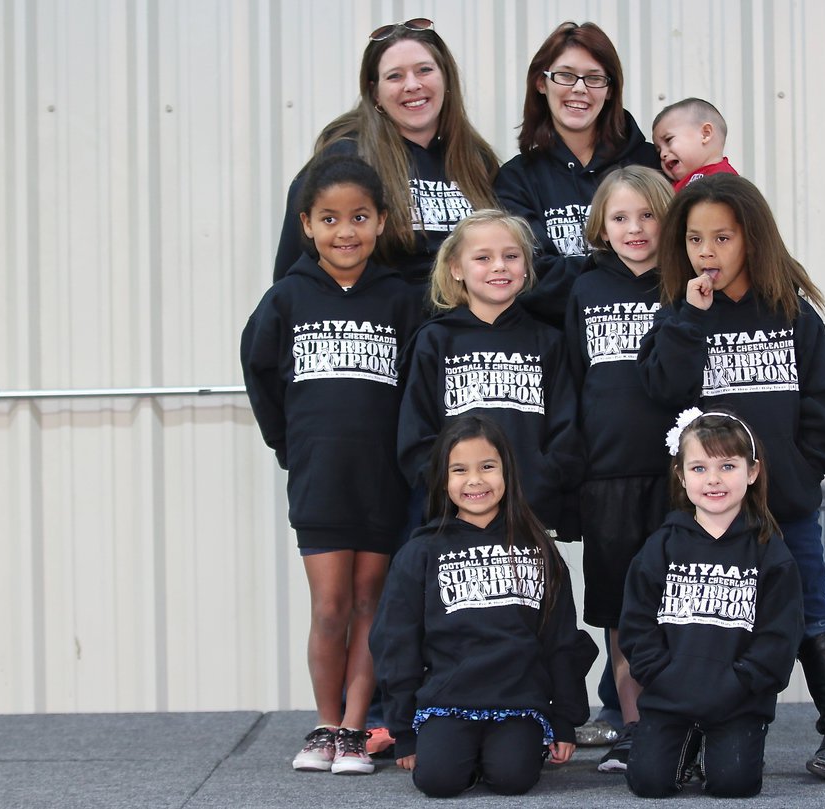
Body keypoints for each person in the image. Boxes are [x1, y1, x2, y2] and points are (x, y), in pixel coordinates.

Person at [637, 173, 825, 781]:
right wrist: (688, 319)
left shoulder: (790, 314)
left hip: (784, 505)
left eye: (722, 238)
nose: (706, 253)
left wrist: (796, 470)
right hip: (706, 514)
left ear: (751, 239)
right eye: (693, 240)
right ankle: (690, 729)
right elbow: (661, 390)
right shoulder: (677, 315)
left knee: (812, 609)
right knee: (698, 615)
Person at [241, 155, 423, 773]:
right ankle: (323, 722)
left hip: (380, 480)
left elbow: (420, 388)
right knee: (329, 607)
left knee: (372, 603)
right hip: (319, 479)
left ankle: (354, 727)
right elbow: (259, 370)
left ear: (381, 222)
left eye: (360, 218)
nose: (345, 231)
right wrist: (287, 445)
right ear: (307, 225)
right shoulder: (287, 298)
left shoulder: (400, 300)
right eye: (330, 219)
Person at [370, 415, 598, 797]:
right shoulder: (421, 551)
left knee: (513, 779)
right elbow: (397, 641)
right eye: (460, 469)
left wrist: (563, 721)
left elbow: (560, 638)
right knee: (437, 782)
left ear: (508, 471)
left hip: (519, 699)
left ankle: (499, 752)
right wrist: (405, 731)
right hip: (448, 699)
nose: (475, 480)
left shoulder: (538, 548)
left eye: (487, 467)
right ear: (442, 478)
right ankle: (463, 753)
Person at [619, 409, 803, 798]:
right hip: (670, 696)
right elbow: (637, 625)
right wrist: (662, 676)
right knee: (649, 783)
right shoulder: (660, 547)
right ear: (681, 476)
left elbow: (780, 637)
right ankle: (684, 748)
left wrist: (740, 683)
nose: (714, 479)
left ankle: (723, 748)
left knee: (734, 785)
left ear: (751, 472)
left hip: (738, 700)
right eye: (699, 468)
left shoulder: (771, 552)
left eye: (727, 466)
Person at [564, 166, 679, 772]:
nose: (635, 228)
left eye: (648, 215)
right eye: (620, 217)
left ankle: (676, 720)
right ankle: (634, 725)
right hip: (606, 479)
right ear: (601, 228)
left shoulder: (684, 288)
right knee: (619, 609)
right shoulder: (585, 290)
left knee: (673, 602)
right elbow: (572, 382)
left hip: (676, 479)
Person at [273, 18, 499, 289]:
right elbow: (292, 274)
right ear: (375, 93)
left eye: (424, 70)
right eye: (395, 76)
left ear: (446, 78)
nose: (412, 85)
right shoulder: (347, 158)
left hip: (462, 326)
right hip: (387, 323)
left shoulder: (476, 160)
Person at [397, 210, 583, 534]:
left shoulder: (549, 342)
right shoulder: (435, 340)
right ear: (456, 268)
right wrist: (451, 490)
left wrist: (540, 482)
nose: (499, 266)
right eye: (483, 257)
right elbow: (416, 435)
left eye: (511, 256)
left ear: (526, 266)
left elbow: (566, 434)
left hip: (529, 515)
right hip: (454, 519)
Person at [494, 21, 664, 327]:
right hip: (557, 347)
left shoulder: (651, 163)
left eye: (595, 78)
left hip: (654, 338)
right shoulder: (516, 178)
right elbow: (527, 273)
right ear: (541, 83)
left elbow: (679, 251)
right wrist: (622, 278)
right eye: (565, 75)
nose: (580, 88)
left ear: (611, 90)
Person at [651, 98, 738, 192]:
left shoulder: (723, 182)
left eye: (668, 140)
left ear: (705, 134)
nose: (662, 154)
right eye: (659, 150)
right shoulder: (673, 185)